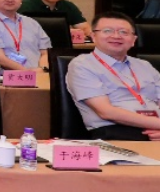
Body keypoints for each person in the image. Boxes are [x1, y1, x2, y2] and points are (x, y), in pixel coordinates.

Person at [65, 12, 160, 141]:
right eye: (107, 31)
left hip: (154, 130)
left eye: (123, 32)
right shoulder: (82, 65)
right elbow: (106, 112)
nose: (116, 36)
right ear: (93, 36)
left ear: (133, 40)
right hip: (116, 132)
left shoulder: (144, 65)